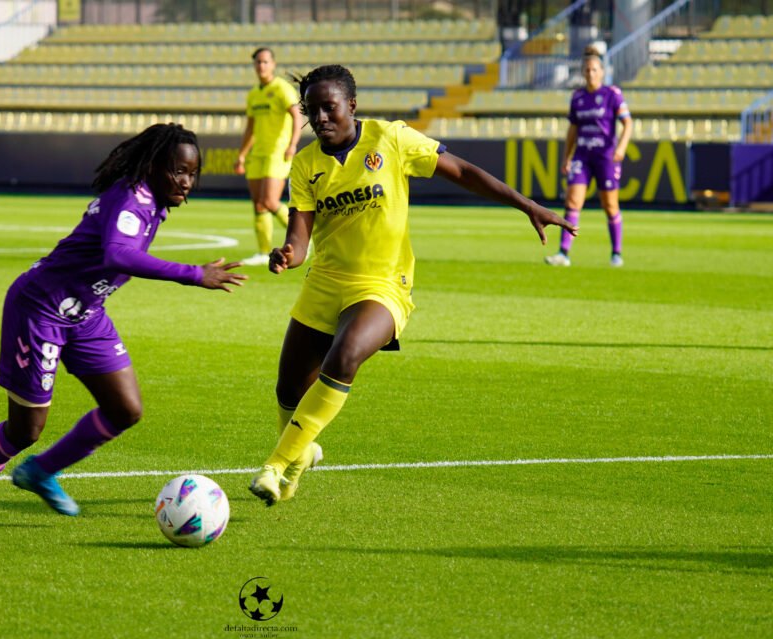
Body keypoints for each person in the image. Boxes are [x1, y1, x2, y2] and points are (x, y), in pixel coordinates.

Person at [246, 65, 576, 506]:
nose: (321, 118)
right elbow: (300, 240)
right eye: (311, 110)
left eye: (330, 107)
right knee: (288, 392)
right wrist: (286, 256)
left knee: (345, 357)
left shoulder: (390, 139)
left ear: (352, 105)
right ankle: (302, 453)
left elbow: (459, 170)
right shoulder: (306, 164)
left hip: (384, 286)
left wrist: (525, 205)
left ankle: (275, 465)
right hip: (325, 282)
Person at [0, 124, 246, 532]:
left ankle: (41, 472)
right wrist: (192, 274)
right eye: (178, 171)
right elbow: (118, 255)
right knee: (25, 429)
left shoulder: (153, 201)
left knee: (125, 409)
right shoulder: (131, 200)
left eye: (192, 173)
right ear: (153, 166)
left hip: (85, 313)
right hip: (41, 309)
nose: (187, 182)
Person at [545, 45, 632, 268]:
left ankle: (616, 253)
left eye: (594, 70)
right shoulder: (578, 97)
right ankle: (563, 253)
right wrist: (567, 157)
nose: (590, 74)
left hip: (605, 156)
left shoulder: (612, 94)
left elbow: (628, 123)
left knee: (610, 205)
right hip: (582, 156)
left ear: (602, 72)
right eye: (587, 70)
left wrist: (621, 148)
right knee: (572, 202)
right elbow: (572, 130)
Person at [233, 47, 304, 266]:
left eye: (265, 62)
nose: (261, 66)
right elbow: (250, 128)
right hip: (258, 154)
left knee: (270, 201)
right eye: (258, 62)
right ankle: (263, 252)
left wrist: (292, 144)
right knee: (258, 204)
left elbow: (297, 117)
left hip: (278, 152)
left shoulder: (282, 89)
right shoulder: (254, 94)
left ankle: (304, 241)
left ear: (273, 65)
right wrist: (242, 155)